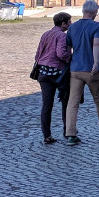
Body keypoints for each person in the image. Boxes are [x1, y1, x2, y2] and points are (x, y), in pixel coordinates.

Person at [64, 0, 99, 145]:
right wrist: (95, 62)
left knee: (72, 102)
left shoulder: (73, 27)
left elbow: (68, 48)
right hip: (92, 70)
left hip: (75, 69)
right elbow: (96, 44)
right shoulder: (97, 26)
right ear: (94, 12)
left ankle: (70, 134)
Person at [34, 12, 72, 144]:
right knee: (65, 101)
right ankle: (68, 131)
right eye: (69, 22)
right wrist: (70, 57)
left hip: (43, 73)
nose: (70, 24)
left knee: (47, 105)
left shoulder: (46, 34)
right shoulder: (62, 35)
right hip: (58, 74)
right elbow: (61, 54)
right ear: (63, 23)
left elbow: (38, 54)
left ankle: (47, 135)